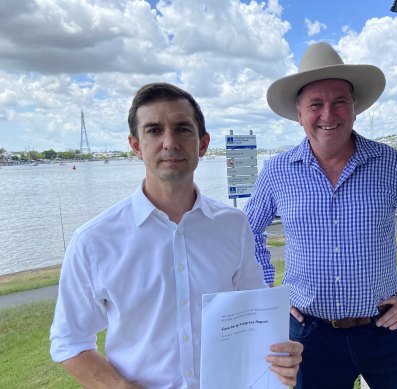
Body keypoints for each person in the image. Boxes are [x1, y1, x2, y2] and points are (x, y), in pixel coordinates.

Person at [50, 82, 302, 388]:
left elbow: (254, 315)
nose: (169, 142)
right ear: (136, 145)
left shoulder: (234, 226)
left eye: (183, 128)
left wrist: (280, 358)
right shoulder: (93, 241)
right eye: (154, 130)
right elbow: (69, 341)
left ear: (203, 143)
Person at [243, 42, 397, 388]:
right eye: (316, 104)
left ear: (354, 109)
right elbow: (247, 232)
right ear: (299, 114)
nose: (329, 114)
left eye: (339, 101)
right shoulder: (277, 172)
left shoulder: (390, 164)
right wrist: (268, 294)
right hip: (308, 334)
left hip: (384, 326)